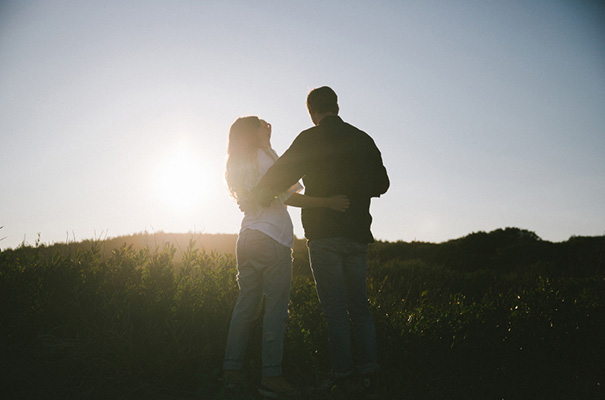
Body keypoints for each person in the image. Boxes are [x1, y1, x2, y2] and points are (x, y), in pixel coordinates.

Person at [251, 86, 390, 399]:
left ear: (311, 111)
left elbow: (274, 179)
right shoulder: (363, 139)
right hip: (357, 236)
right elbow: (383, 183)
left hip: (324, 237)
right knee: (360, 308)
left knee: (335, 311)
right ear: (337, 107)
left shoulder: (309, 139)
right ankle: (369, 374)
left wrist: (257, 195)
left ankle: (342, 375)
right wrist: (355, 188)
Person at [222, 116, 350, 398]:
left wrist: (264, 139)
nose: (267, 127)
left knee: (245, 308)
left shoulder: (235, 164)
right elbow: (288, 194)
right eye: (261, 124)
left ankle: (231, 373)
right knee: (276, 311)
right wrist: (327, 202)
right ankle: (271, 378)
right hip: (272, 238)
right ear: (253, 132)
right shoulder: (264, 156)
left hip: (247, 238)